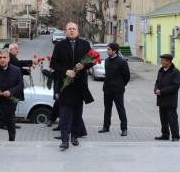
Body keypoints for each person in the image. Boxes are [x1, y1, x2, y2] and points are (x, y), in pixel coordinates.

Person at [50, 22, 94, 150]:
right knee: (64, 113)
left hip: (79, 84)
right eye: (69, 29)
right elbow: (54, 63)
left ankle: (75, 136)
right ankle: (64, 139)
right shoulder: (59, 45)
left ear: (78, 31)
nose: (72, 31)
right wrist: (65, 71)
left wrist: (84, 66)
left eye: (74, 29)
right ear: (65, 32)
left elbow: (91, 60)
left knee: (77, 112)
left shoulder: (85, 44)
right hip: (65, 84)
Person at [98, 43, 130, 136]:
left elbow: (126, 76)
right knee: (107, 109)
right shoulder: (107, 60)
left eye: (108, 49)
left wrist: (121, 85)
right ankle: (106, 126)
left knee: (120, 109)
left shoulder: (122, 62)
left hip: (118, 90)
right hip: (107, 89)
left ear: (114, 51)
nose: (107, 51)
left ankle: (124, 129)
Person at [8, 43, 38, 129]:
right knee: (11, 106)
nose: (18, 50)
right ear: (11, 50)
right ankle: (9, 124)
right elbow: (18, 63)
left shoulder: (13, 57)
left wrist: (26, 71)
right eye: (16, 49)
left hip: (16, 87)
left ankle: (11, 123)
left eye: (18, 49)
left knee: (13, 106)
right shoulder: (10, 58)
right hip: (13, 87)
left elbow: (18, 69)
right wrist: (31, 61)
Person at [154, 54, 180, 142]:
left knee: (172, 119)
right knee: (163, 118)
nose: (161, 62)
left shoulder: (175, 72)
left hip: (170, 100)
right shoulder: (161, 70)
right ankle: (165, 134)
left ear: (168, 62)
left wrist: (162, 91)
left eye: (163, 60)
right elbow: (157, 82)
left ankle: (175, 136)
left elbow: (175, 86)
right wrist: (156, 89)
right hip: (161, 99)